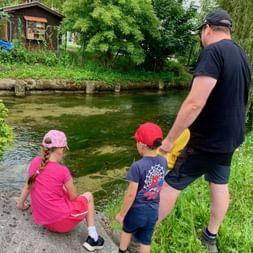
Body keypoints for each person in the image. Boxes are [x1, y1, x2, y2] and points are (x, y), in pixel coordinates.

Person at [158, 9, 251, 253]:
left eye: (201, 32)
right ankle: (210, 237)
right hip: (231, 138)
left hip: (206, 141)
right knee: (219, 184)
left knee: (170, 184)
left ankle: (140, 235)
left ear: (207, 28)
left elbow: (194, 103)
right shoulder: (241, 55)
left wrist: (169, 141)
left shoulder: (213, 52)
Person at [16, 130, 104, 252]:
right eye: (64, 149)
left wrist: (21, 203)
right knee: (89, 196)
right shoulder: (62, 171)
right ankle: (93, 238)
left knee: (60, 189)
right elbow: (73, 197)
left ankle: (92, 237)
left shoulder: (35, 162)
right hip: (62, 223)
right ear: (60, 150)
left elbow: (28, 185)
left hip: (44, 221)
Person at [114, 122, 168, 253]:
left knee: (127, 230)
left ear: (141, 144)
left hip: (136, 211)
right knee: (145, 241)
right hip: (153, 211)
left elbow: (131, 195)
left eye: (136, 141)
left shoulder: (137, 166)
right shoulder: (163, 161)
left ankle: (121, 251)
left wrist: (121, 214)